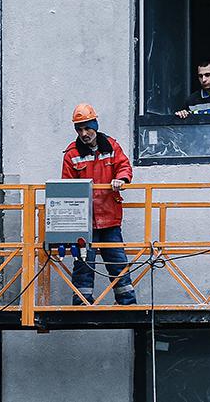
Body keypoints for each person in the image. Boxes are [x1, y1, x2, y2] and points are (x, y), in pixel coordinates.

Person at [61, 103, 136, 306]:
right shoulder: (72, 154)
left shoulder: (111, 146)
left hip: (109, 217)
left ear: (95, 124)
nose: (84, 133)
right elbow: (67, 189)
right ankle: (82, 301)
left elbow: (124, 166)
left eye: (87, 127)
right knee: (84, 263)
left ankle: (126, 302)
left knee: (117, 261)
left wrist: (121, 179)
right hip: (85, 221)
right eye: (80, 129)